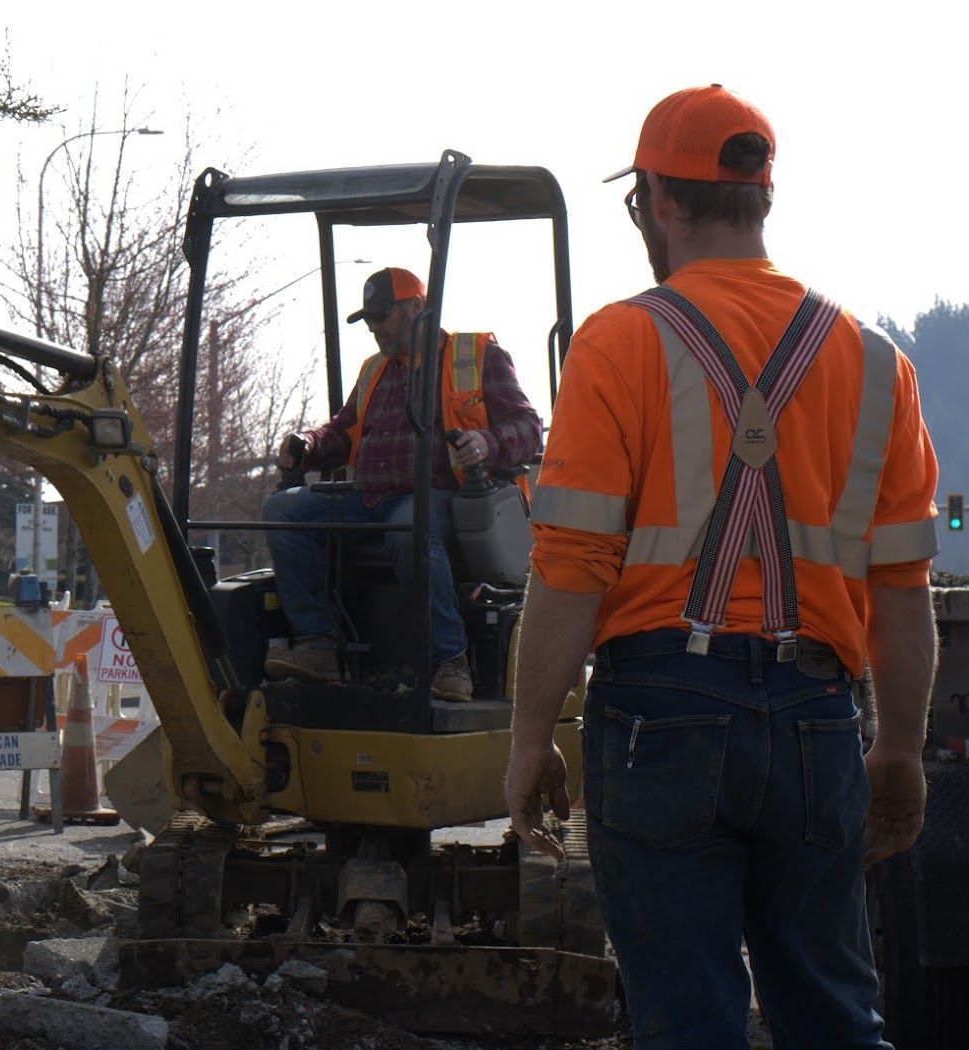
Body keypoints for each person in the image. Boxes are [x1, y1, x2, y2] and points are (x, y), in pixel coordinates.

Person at [503, 85, 939, 1048]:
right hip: (819, 719)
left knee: (685, 1022)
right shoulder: (878, 365)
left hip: (660, 719)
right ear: (761, 201)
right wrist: (900, 751)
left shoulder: (618, 343)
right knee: (833, 1015)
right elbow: (902, 592)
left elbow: (571, 569)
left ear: (659, 200)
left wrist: (532, 736)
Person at [262, 266, 542, 702]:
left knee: (407, 523)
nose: (374, 328)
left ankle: (451, 660)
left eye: (382, 316)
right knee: (283, 511)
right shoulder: (375, 370)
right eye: (369, 319)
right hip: (369, 498)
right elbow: (341, 431)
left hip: (446, 499)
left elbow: (528, 426)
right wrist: (307, 445)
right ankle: (319, 644)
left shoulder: (476, 355)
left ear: (416, 307)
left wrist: (486, 443)